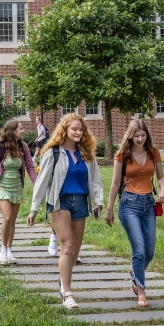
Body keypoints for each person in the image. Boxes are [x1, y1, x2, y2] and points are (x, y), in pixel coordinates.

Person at [28, 113, 103, 309]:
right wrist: (34, 209)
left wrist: (98, 202)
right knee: (67, 246)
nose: (78, 132)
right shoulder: (53, 153)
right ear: (65, 131)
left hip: (80, 202)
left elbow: (95, 181)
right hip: (59, 202)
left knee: (75, 251)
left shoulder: (87, 154)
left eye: (81, 129)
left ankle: (63, 282)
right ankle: (68, 294)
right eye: (74, 129)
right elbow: (42, 182)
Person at [105, 119, 164, 308]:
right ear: (130, 136)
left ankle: (134, 271)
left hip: (148, 203)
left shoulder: (153, 153)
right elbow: (115, 183)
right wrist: (109, 209)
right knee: (138, 251)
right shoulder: (122, 155)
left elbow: (160, 177)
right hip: (129, 204)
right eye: (136, 135)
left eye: (143, 135)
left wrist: (162, 190)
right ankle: (141, 291)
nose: (140, 138)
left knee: (149, 251)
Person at [0, 120, 37, 265]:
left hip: (17, 187)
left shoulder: (23, 146)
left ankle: (9, 249)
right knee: (7, 218)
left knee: (13, 221)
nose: (23, 131)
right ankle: (3, 250)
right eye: (21, 129)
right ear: (12, 131)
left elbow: (30, 166)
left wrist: (36, 183)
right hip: (2, 187)